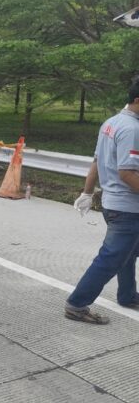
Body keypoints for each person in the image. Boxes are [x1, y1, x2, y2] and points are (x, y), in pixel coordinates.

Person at [66, 80, 139, 324]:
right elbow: (127, 173)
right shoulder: (132, 129)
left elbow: (97, 161)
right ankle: (77, 304)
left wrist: (88, 192)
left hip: (114, 204)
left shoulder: (111, 123)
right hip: (127, 207)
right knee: (111, 258)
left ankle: (128, 295)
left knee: (127, 254)